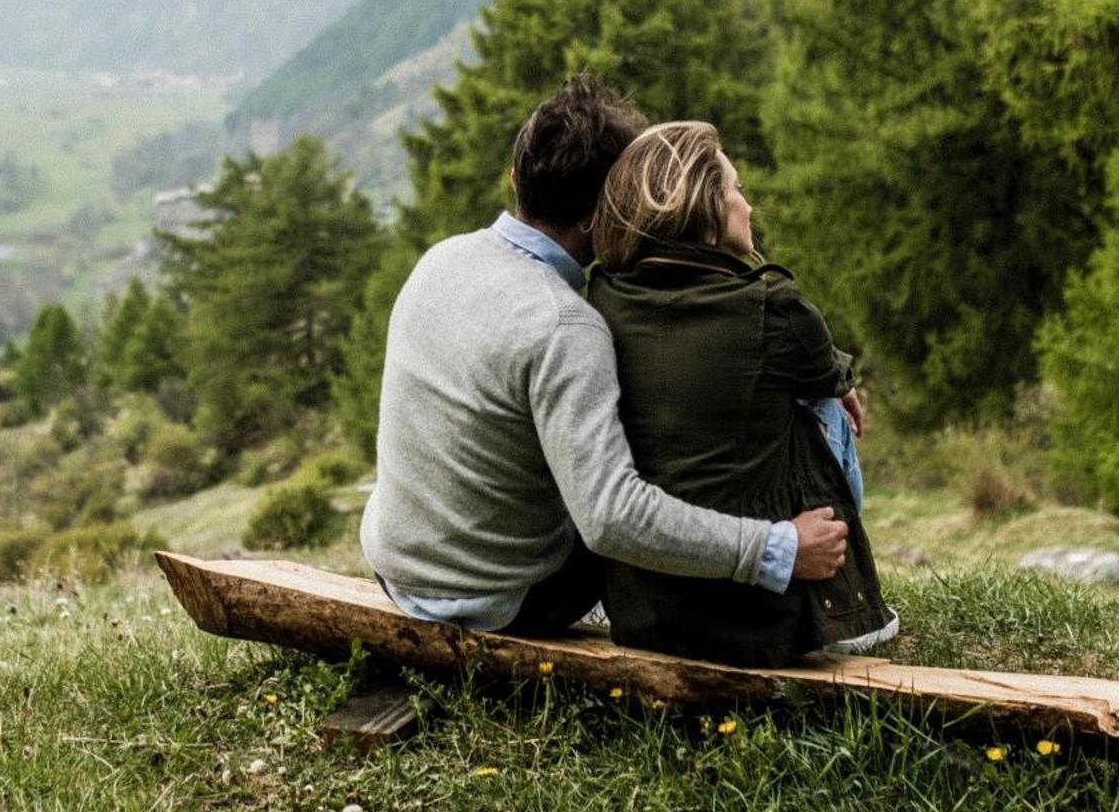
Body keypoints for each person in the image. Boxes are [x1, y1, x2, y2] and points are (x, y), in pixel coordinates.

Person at [359, 75, 850, 637]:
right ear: (607, 212)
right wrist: (775, 548)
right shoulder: (567, 325)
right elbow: (612, 520)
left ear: (517, 176)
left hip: (394, 570)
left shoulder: (441, 260)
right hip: (501, 601)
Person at [586, 120, 896, 666]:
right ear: (707, 210)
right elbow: (821, 370)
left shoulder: (604, 296)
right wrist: (837, 385)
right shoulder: (776, 308)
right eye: (737, 189)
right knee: (822, 399)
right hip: (756, 627)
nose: (747, 206)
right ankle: (842, 598)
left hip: (639, 614)